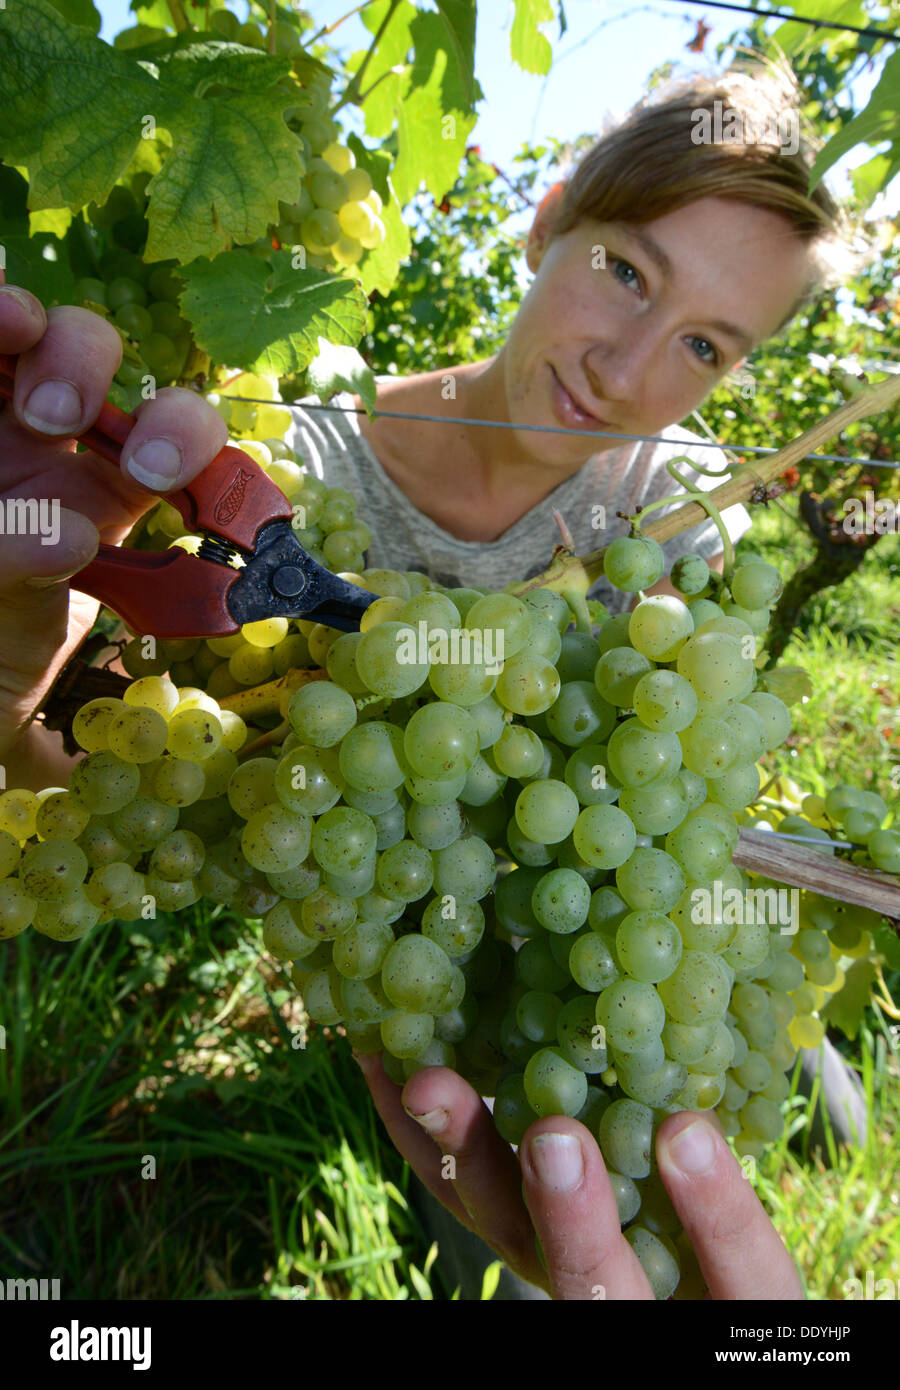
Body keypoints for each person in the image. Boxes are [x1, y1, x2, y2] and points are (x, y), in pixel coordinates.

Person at [0, 62, 854, 1299]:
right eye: (627, 272)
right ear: (549, 215)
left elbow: (682, 780)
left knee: (782, 1060)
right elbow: (92, 783)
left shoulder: (671, 508)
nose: (625, 370)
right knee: (495, 1188)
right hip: (442, 974)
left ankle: (819, 1063)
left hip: (634, 922)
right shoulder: (308, 470)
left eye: (706, 345)